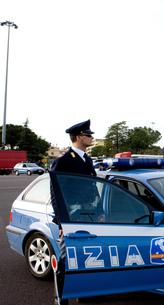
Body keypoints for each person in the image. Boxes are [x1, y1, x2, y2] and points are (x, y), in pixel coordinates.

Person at [50, 119, 96, 305]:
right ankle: (61, 298)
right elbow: (56, 195)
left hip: (90, 215)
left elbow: (93, 188)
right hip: (72, 217)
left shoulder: (87, 159)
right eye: (88, 135)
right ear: (78, 137)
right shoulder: (63, 161)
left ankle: (85, 294)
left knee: (87, 256)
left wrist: (99, 212)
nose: (91, 137)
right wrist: (62, 222)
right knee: (66, 259)